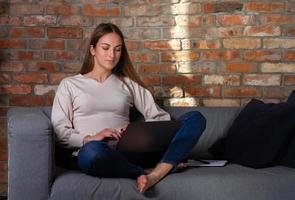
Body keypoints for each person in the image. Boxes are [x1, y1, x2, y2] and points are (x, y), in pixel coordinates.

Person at [51, 23, 206, 193]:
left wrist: (137, 132)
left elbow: (159, 118)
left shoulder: (127, 84)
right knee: (93, 153)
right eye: (106, 48)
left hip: (127, 150)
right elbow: (60, 132)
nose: (112, 55)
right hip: (93, 152)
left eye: (118, 49)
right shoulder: (70, 85)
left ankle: (156, 174)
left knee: (195, 118)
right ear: (93, 50)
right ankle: (143, 172)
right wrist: (91, 138)